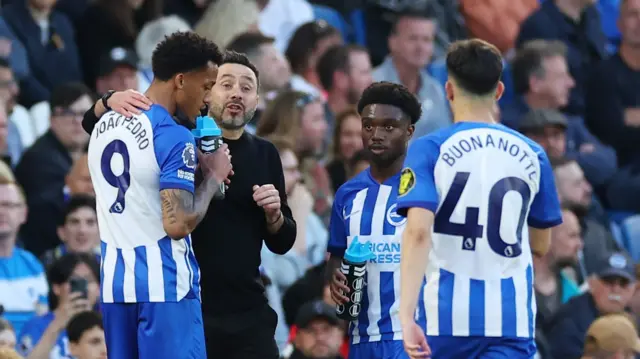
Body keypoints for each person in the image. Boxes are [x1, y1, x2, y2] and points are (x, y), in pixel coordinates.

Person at [396, 39, 563, 359]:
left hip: (444, 317)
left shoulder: (428, 149)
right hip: (510, 321)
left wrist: (405, 317)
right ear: (499, 91)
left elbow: (417, 232)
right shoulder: (534, 154)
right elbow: (541, 245)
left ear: (448, 91)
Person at [83, 32, 232, 359]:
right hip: (165, 287)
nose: (209, 98)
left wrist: (107, 99)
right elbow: (177, 223)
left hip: (116, 286)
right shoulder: (173, 136)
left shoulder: (105, 121)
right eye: (207, 86)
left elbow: (87, 121)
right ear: (181, 80)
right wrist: (213, 177)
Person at [192, 50, 297, 359]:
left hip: (248, 309)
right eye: (226, 84)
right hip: (193, 305)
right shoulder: (184, 143)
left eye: (247, 87)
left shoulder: (265, 154)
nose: (237, 92)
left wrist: (275, 215)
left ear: (256, 101)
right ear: (207, 92)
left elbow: (283, 241)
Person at [327, 81, 421, 359]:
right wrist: (334, 277)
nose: (376, 134)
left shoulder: (426, 189)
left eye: (389, 127)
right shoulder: (348, 195)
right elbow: (336, 255)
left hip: (411, 336)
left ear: (409, 131)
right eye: (368, 126)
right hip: (362, 338)